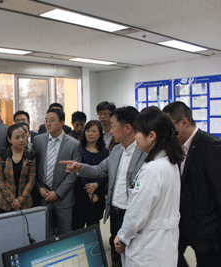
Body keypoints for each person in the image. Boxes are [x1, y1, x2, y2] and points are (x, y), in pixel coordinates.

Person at [60, 106, 146, 267]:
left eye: (113, 126)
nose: (110, 131)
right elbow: (101, 169)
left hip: (134, 214)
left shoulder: (144, 153)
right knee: (116, 254)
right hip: (116, 212)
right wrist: (80, 167)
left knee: (134, 255)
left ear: (127, 128)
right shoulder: (117, 150)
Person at [114, 106, 184, 267]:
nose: (135, 137)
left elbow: (136, 214)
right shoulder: (169, 164)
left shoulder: (152, 170)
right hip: (163, 247)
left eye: (137, 132)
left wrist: (122, 237)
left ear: (151, 136)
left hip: (147, 250)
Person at [163, 101, 221, 267]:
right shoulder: (176, 147)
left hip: (208, 233)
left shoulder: (212, 146)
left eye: (170, 127)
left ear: (184, 122)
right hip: (181, 227)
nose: (168, 133)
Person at [32, 108, 81, 237]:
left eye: (52, 120)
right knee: (44, 235)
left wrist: (58, 193)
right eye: (46, 121)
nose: (48, 124)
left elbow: (73, 174)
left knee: (64, 235)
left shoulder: (74, 144)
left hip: (63, 198)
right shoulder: (38, 140)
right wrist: (40, 188)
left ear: (62, 123)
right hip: (43, 196)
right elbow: (34, 168)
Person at [73, 120, 109, 230]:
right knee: (77, 227)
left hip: (98, 193)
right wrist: (89, 190)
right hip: (80, 193)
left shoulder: (105, 151)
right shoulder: (79, 149)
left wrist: (96, 185)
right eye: (88, 130)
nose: (90, 133)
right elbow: (77, 171)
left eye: (94, 131)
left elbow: (106, 171)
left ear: (99, 134)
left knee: (93, 227)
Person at [0, 124, 36, 213]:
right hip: (4, 202)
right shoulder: (2, 154)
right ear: (9, 140)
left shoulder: (31, 155)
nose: (21, 140)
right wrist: (12, 200)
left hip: (25, 203)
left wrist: (20, 200)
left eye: (23, 136)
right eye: (17, 138)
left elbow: (31, 180)